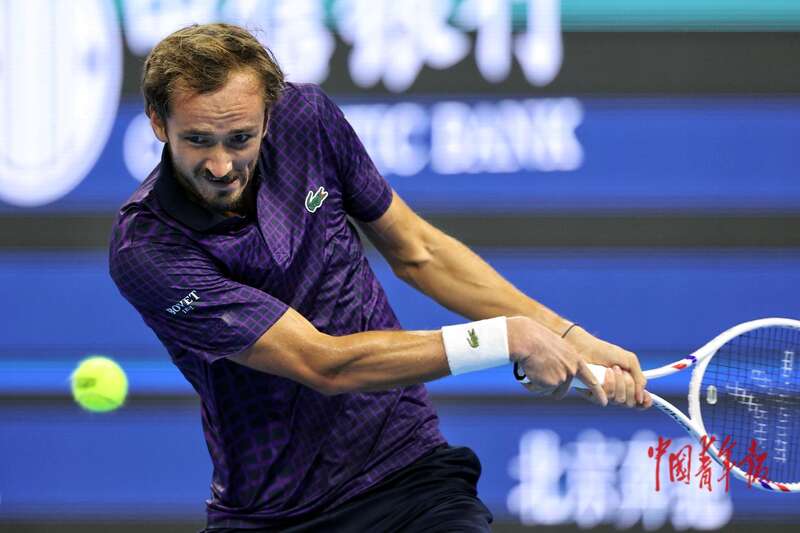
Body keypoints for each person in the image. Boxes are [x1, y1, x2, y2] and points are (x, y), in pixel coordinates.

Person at [109, 23, 652, 532]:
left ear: (269, 116)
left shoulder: (307, 121)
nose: (221, 165)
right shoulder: (148, 248)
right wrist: (504, 338)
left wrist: (563, 333)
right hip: (274, 514)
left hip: (409, 472)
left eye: (240, 138)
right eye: (198, 140)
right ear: (158, 122)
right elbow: (322, 362)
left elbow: (419, 252)